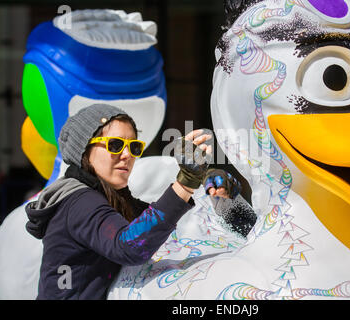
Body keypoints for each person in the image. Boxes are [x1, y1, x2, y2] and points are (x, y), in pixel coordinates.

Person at [25, 103, 237, 299]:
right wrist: (185, 183)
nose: (127, 155)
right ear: (84, 151)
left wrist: (220, 200)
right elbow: (131, 246)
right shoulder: (79, 201)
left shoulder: (113, 199)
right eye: (115, 145)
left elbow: (171, 225)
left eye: (134, 147)